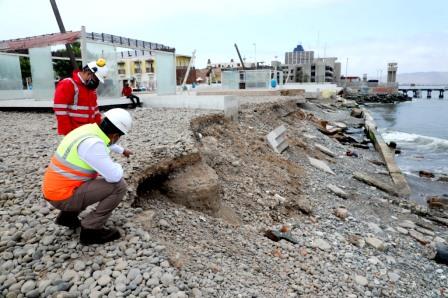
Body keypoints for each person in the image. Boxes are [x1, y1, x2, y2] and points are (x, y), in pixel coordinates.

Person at [42, 108, 133, 245]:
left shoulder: (88, 130)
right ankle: (91, 231)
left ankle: (67, 218)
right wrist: (117, 166)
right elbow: (114, 176)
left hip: (54, 189)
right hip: (62, 197)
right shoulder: (93, 146)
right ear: (115, 135)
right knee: (119, 186)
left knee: (92, 179)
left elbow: (106, 142)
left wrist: (122, 150)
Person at [53, 58, 109, 136]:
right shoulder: (68, 83)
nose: (96, 82)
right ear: (88, 73)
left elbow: (95, 110)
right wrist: (68, 133)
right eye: (96, 79)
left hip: (89, 131)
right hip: (74, 131)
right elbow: (60, 110)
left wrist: (98, 128)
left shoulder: (91, 89)